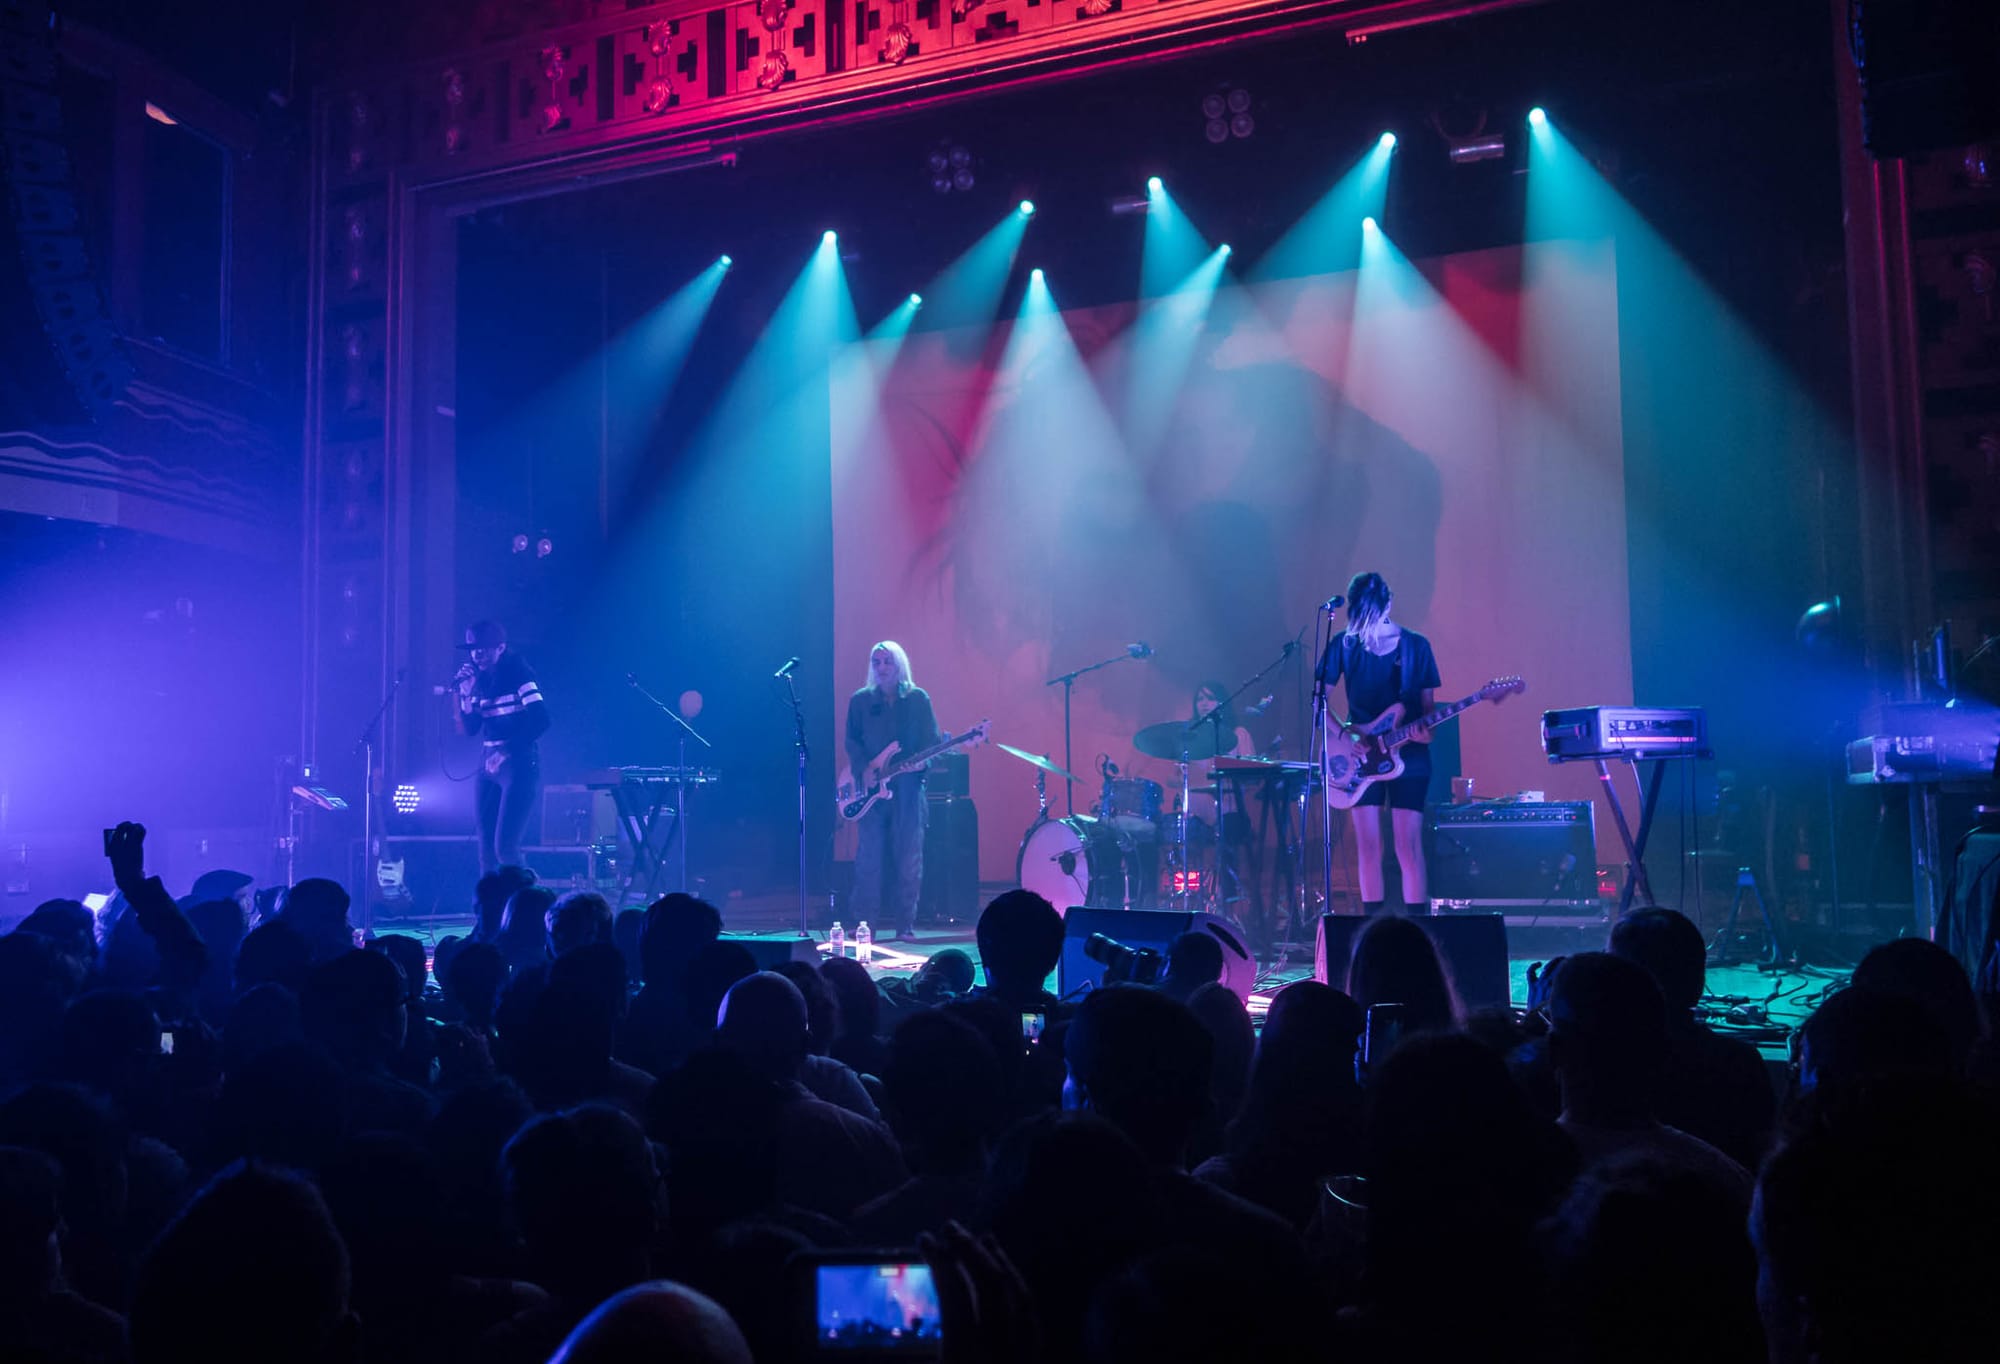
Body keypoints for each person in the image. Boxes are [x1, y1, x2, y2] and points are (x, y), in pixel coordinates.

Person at [1315, 572, 1440, 912]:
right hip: (1359, 755)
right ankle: (1372, 929)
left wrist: (1424, 732)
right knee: (1369, 846)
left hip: (1408, 756)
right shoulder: (1344, 643)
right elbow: (1319, 702)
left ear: (1388, 605)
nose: (1365, 622)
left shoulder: (1417, 646)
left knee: (1408, 846)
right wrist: (1347, 733)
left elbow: (1429, 716)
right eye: (1359, 614)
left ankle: (1419, 930)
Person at [843, 641, 942, 941]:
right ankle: (865, 926)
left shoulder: (917, 699)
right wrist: (866, 768)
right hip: (871, 790)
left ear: (899, 665)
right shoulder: (860, 701)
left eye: (887, 662)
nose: (882, 667)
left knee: (909, 857)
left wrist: (920, 765)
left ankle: (905, 926)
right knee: (868, 859)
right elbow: (852, 741)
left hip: (909, 790)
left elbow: (933, 743)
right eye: (877, 662)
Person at [452, 620, 550, 875]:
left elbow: (541, 720)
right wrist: (465, 695)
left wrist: (505, 751)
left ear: (501, 648)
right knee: (485, 851)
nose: (477, 654)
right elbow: (472, 729)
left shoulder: (520, 675)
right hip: (488, 764)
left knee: (505, 848)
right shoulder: (480, 681)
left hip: (518, 764)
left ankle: (527, 904)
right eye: (473, 649)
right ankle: (491, 910)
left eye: (484, 648)